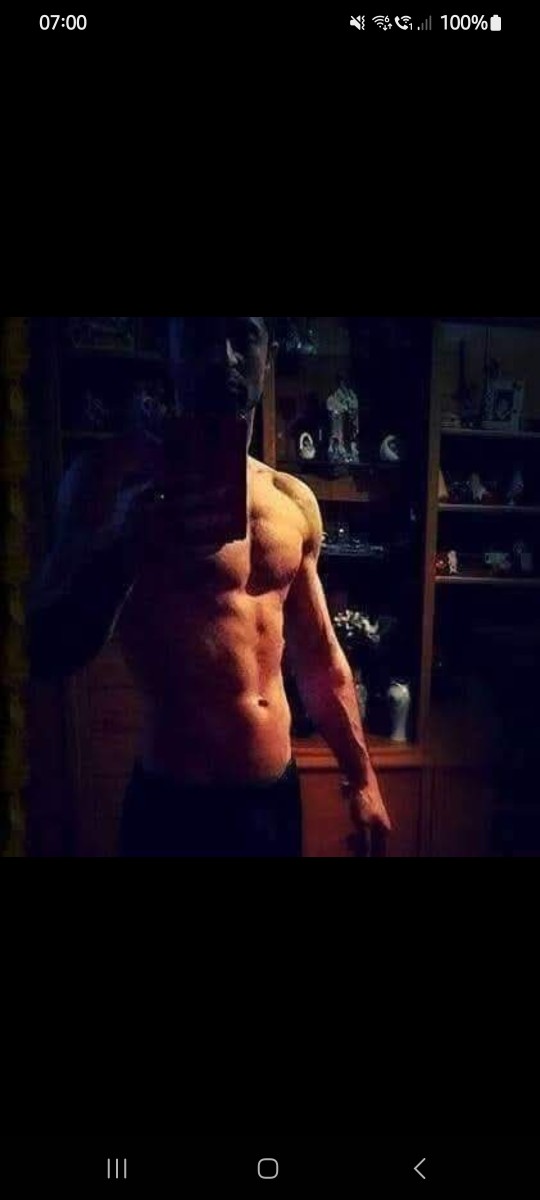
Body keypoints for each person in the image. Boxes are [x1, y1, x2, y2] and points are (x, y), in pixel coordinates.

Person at [28, 316, 391, 857]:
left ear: (268, 355)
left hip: (271, 803)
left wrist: (363, 778)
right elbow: (43, 650)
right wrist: (122, 551)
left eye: (244, 336)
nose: (224, 357)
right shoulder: (103, 482)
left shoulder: (291, 500)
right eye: (200, 335)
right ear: (168, 348)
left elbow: (319, 657)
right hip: (172, 806)